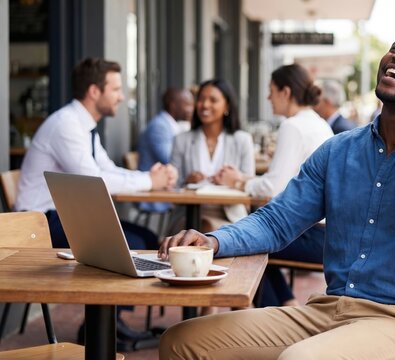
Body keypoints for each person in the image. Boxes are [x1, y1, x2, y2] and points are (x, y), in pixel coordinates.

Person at [158, 28, 395, 359]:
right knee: (182, 340)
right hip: (328, 312)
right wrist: (213, 241)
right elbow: (278, 221)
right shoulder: (339, 150)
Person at [14, 57, 177, 348]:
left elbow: (108, 169)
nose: (122, 96)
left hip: (63, 215)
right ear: (94, 91)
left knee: (147, 237)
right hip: (38, 224)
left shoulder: (84, 126)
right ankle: (98, 330)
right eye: (116, 89)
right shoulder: (66, 125)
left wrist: (148, 176)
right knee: (125, 243)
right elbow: (94, 182)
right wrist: (150, 182)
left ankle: (110, 323)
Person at [214, 64, 334, 307]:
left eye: (271, 91)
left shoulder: (293, 126)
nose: (268, 98)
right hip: (328, 234)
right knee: (256, 243)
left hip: (312, 235)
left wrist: (237, 181)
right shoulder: (318, 123)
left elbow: (272, 189)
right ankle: (286, 307)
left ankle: (266, 318)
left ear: (285, 92)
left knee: (246, 244)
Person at [169, 79, 255, 232]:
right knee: (196, 229)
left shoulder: (242, 140)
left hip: (229, 216)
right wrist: (186, 181)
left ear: (227, 106)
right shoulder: (181, 140)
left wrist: (233, 180)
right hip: (188, 215)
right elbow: (170, 186)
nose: (205, 105)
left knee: (205, 229)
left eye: (213, 100)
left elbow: (250, 186)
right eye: (201, 99)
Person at [137, 88, 194, 213]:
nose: (192, 109)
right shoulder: (159, 127)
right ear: (173, 105)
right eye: (188, 104)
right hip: (155, 194)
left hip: (167, 190)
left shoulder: (171, 125)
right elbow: (172, 161)